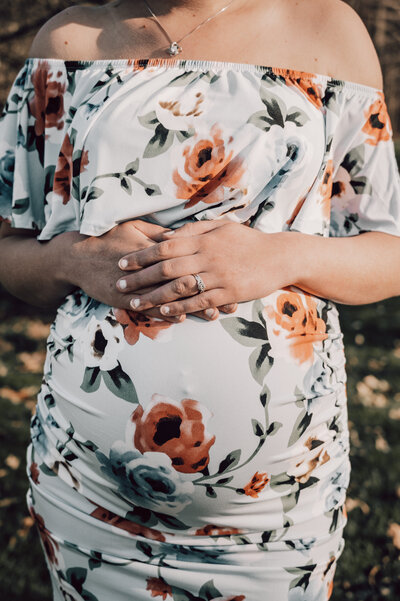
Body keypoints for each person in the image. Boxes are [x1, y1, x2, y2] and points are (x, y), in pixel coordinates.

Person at [0, 0, 399, 599]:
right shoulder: (67, 41)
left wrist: (285, 255)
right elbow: (12, 248)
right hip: (89, 493)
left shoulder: (328, 27)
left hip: (278, 500)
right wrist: (73, 260)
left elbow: (390, 249)